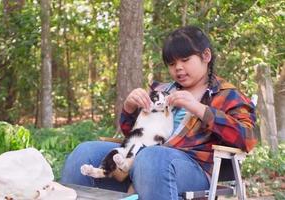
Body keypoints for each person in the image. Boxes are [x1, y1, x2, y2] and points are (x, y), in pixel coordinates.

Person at [61, 26, 257, 200]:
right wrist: (130, 108)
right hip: (140, 158)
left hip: (193, 167)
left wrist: (200, 109)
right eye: (172, 64)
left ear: (206, 56)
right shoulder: (162, 91)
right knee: (85, 152)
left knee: (153, 158)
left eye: (186, 60)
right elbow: (133, 134)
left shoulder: (227, 94)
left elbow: (247, 139)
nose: (178, 68)